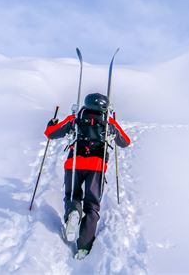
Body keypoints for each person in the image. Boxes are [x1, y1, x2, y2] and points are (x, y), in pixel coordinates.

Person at [44, 92, 130, 259]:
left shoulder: (76, 117)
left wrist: (51, 124)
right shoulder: (108, 122)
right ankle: (83, 247)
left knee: (72, 195)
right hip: (97, 167)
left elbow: (51, 134)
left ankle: (73, 212)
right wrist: (113, 126)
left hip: (74, 164)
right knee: (92, 206)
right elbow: (125, 142)